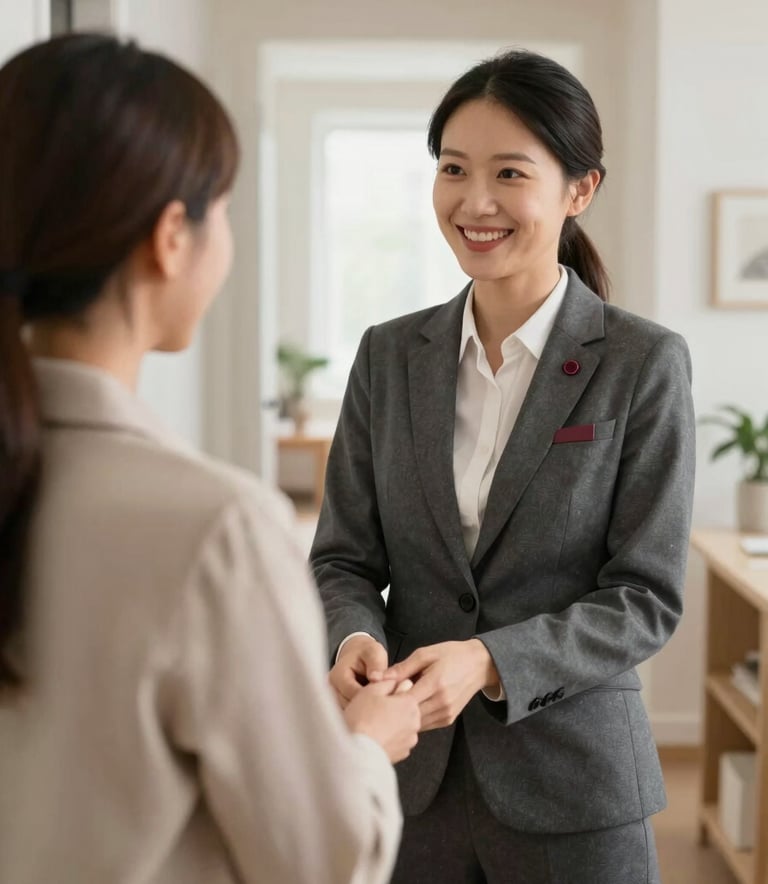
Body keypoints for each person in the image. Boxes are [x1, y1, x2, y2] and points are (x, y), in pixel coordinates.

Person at [0, 33, 421, 884]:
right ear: (170, 238)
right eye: (223, 207)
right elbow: (323, 865)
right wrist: (365, 747)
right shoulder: (217, 529)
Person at [311, 48, 695, 884]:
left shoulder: (641, 362)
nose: (473, 201)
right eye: (453, 168)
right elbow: (343, 556)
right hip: (411, 784)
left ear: (580, 189)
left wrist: (488, 660)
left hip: (576, 790)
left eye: (509, 173)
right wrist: (351, 637)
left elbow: (646, 596)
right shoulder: (386, 357)